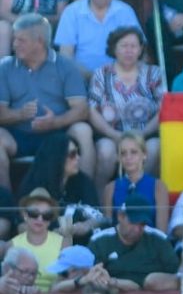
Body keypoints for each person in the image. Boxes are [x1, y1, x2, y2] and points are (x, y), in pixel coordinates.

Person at [0, 13, 93, 187]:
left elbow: (82, 109)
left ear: (40, 42)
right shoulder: (5, 67)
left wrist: (55, 122)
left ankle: (85, 198)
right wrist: (19, 114)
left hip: (57, 135)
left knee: (83, 130)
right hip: (18, 135)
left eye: (21, 40)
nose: (14, 45)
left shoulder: (65, 66)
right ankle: (6, 206)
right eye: (14, 39)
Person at [88, 26, 164, 188]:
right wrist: (113, 134)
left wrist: (143, 134)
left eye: (133, 46)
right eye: (123, 46)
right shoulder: (101, 74)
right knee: (105, 151)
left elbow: (164, 109)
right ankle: (100, 204)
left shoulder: (154, 73)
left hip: (146, 134)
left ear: (140, 49)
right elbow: (92, 110)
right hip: (111, 135)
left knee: (155, 147)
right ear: (114, 48)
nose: (129, 50)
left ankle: (141, 196)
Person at [54, 0, 141, 79]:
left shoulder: (125, 12)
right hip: (80, 80)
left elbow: (138, 53)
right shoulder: (71, 12)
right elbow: (66, 57)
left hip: (118, 80)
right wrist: (94, 77)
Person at [18, 131, 103, 243]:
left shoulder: (83, 181)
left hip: (78, 244)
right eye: (72, 154)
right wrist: (50, 234)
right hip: (43, 245)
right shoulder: (34, 184)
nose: (78, 158)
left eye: (78, 153)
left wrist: (84, 226)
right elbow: (21, 226)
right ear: (57, 157)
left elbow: (98, 217)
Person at [88, 196, 179, 291]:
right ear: (120, 216)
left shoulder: (159, 239)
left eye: (142, 224)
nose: (137, 229)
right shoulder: (100, 241)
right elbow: (92, 275)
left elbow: (175, 274)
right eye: (133, 222)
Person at [102, 132, 170, 234]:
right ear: (118, 158)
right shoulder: (110, 188)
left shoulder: (158, 187)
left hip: (149, 245)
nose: (128, 157)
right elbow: (107, 230)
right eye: (123, 153)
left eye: (133, 152)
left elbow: (162, 233)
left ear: (144, 155)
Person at [13, 187, 69, 287]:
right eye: (34, 214)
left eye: (46, 216)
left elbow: (67, 280)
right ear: (25, 215)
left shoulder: (63, 244)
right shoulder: (12, 245)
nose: (40, 219)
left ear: (51, 219)